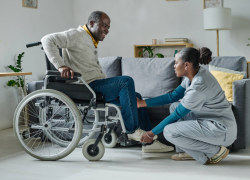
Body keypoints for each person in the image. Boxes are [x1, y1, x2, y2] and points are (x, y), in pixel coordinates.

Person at [41, 11, 173, 153]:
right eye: (104, 26)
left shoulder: (90, 40)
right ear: (91, 23)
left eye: (108, 27)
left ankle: (149, 142)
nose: (107, 30)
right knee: (125, 81)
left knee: (137, 97)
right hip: (86, 86)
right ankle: (132, 130)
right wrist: (61, 66)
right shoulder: (76, 34)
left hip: (95, 84)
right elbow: (47, 39)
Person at [138, 47, 237, 164]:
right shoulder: (193, 75)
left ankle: (214, 151)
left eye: (176, 63)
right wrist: (142, 103)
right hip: (210, 121)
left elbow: (177, 115)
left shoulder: (198, 86)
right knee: (174, 105)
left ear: (186, 65)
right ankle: (190, 152)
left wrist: (150, 134)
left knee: (169, 131)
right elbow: (173, 96)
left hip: (221, 129)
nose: (174, 66)